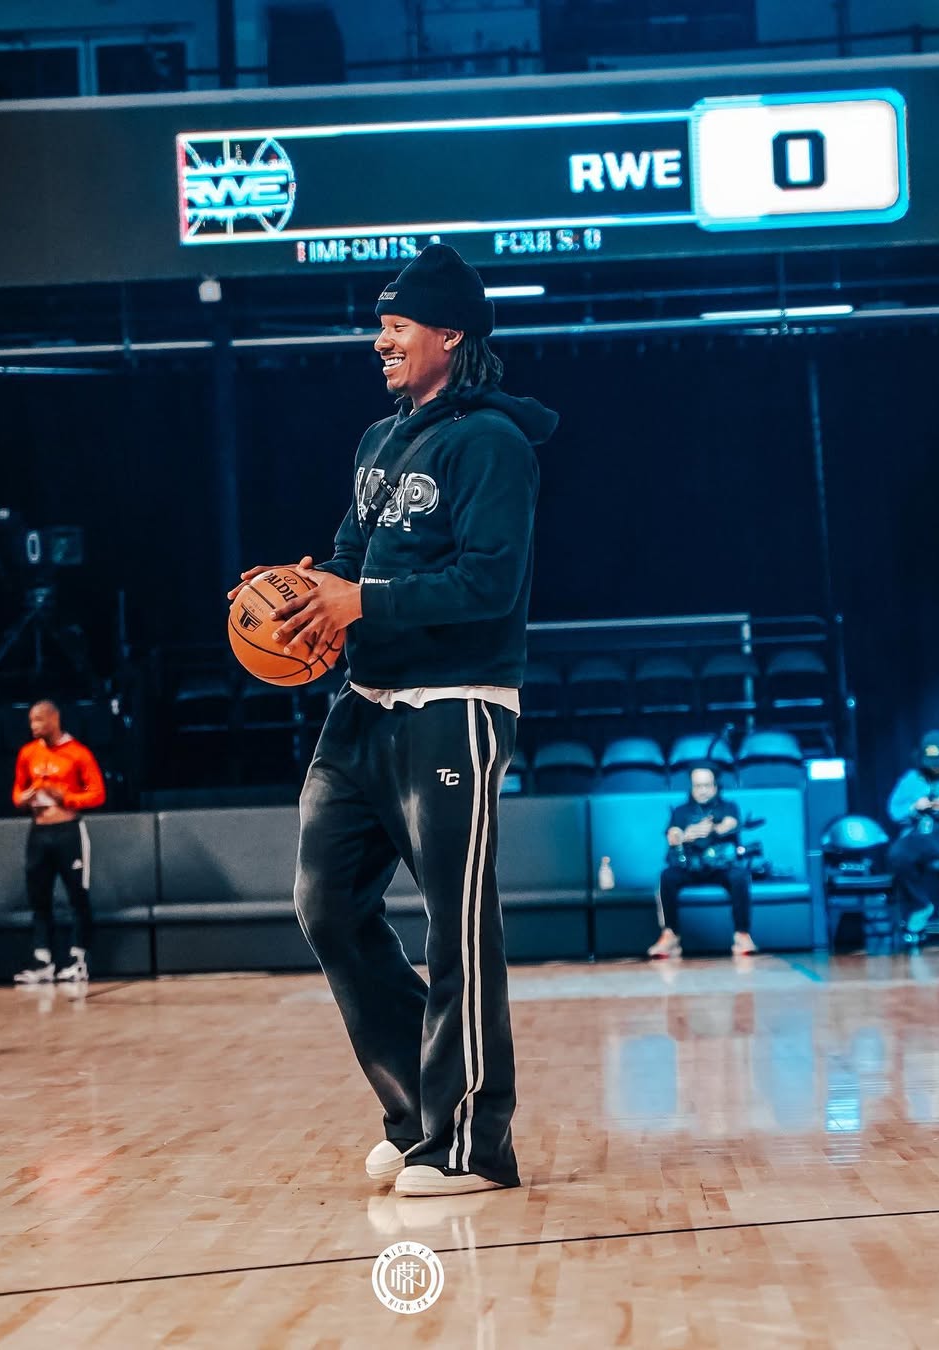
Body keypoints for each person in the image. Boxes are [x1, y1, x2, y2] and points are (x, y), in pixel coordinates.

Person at [231, 244, 557, 1197]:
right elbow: (346, 555)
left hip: (454, 705)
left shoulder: (492, 443)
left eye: (397, 322)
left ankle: (472, 1146)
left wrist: (361, 601)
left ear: (449, 334)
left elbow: (490, 586)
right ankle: (418, 1108)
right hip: (363, 707)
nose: (380, 337)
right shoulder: (381, 440)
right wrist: (296, 593)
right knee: (325, 903)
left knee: (455, 929)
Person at [12, 701, 106, 984]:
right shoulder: (28, 753)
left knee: (77, 896)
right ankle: (43, 962)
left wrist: (65, 796)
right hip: (38, 832)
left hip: (67, 831)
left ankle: (78, 960)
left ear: (54, 719)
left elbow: (97, 793)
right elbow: (16, 793)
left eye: (39, 720)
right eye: (31, 721)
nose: (34, 726)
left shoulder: (78, 753)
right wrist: (26, 796)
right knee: (39, 898)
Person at [648, 764, 756, 958]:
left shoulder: (728, 807)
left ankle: (742, 935)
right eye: (698, 786)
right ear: (691, 787)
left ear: (715, 786)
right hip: (690, 866)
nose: (703, 790)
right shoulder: (680, 811)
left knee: (739, 876)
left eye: (707, 785)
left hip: (720, 867)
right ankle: (670, 935)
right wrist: (686, 835)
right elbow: (672, 835)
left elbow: (729, 824)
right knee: (667, 877)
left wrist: (713, 829)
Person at [887, 729, 939, 938]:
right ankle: (921, 905)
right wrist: (914, 807)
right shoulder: (911, 779)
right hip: (920, 835)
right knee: (898, 855)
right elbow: (894, 811)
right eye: (931, 762)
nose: (935, 767)